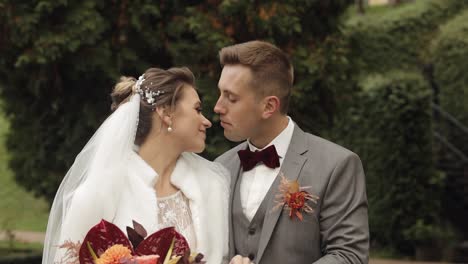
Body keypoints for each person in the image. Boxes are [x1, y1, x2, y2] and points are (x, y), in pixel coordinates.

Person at [43, 67, 229, 264]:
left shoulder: (212, 186)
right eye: (197, 109)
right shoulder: (100, 190)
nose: (207, 121)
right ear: (166, 112)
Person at [214, 41, 369, 264]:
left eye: (231, 97)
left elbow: (349, 256)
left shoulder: (337, 165)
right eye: (220, 93)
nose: (218, 107)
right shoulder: (220, 167)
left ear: (269, 106)